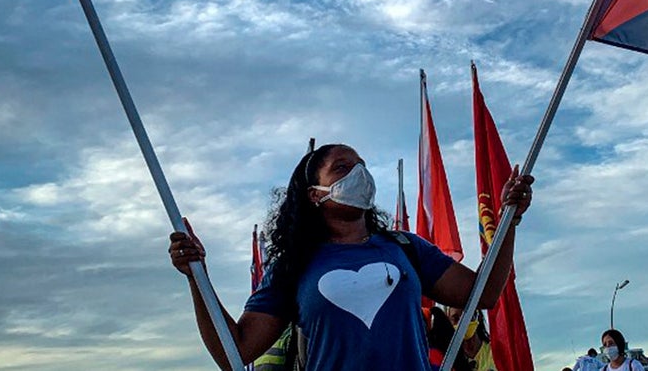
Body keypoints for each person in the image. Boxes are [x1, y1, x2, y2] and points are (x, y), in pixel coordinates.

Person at [168, 143, 533, 371]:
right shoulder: (293, 266)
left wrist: (508, 222)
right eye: (343, 168)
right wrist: (197, 278)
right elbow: (235, 351)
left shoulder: (405, 247)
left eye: (362, 165)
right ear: (314, 194)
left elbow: (484, 293)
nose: (360, 174)